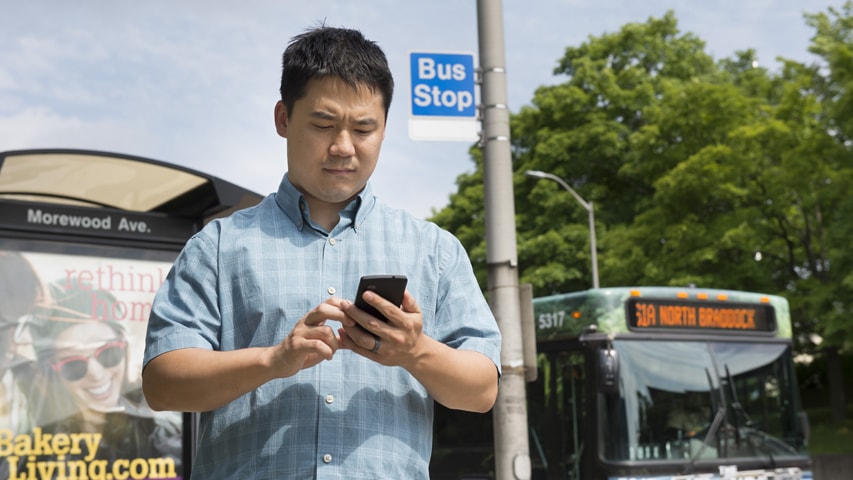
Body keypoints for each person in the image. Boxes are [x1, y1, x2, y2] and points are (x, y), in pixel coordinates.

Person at [141, 25, 502, 479]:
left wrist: (414, 351)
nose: (343, 147)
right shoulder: (216, 247)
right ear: (283, 119)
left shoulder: (435, 251)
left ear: (385, 128)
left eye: (364, 128)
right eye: (323, 124)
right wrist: (274, 360)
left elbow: (482, 389)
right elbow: (162, 383)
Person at [23, 280, 182, 471]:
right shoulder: (32, 449)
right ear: (49, 374)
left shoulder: (162, 434)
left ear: (126, 350)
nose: (96, 374)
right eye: (73, 364)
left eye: (109, 353)